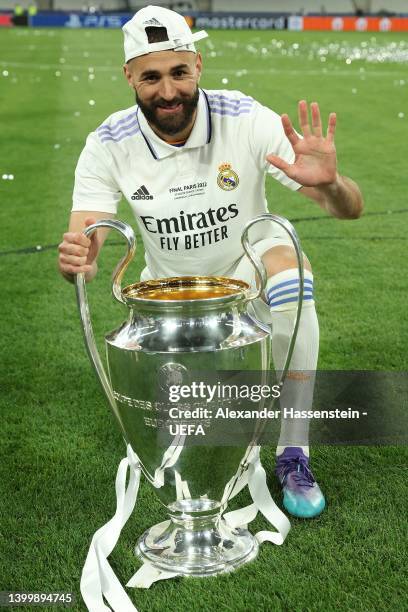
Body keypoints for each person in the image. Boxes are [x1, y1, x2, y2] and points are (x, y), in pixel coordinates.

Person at [58, 5, 363, 519]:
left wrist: (331, 183)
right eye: (151, 76)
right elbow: (84, 244)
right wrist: (77, 263)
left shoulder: (243, 117)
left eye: (179, 72)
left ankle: (293, 452)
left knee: (292, 283)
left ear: (197, 65)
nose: (168, 90)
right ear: (129, 75)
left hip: (250, 262)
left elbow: (346, 209)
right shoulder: (107, 143)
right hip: (172, 290)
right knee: (201, 431)